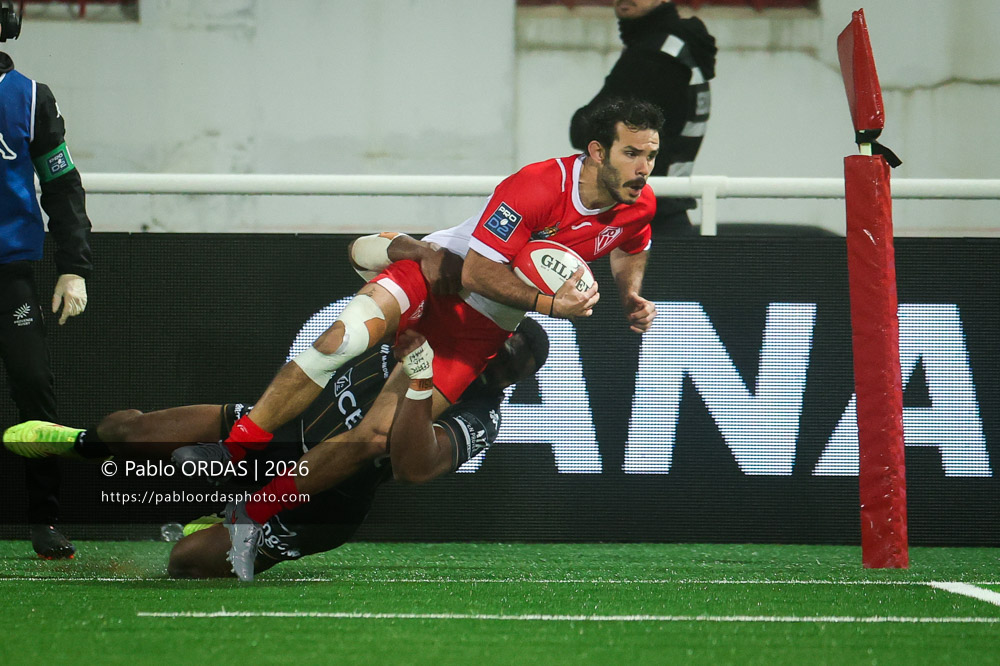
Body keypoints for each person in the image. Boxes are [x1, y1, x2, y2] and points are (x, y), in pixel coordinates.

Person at [169, 97, 662, 579]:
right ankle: (236, 449)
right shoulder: (535, 185)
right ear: (598, 152)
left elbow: (632, 245)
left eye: (651, 156)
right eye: (632, 154)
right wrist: (553, 307)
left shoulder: (639, 205)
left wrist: (629, 296)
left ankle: (251, 511)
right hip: (439, 277)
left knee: (376, 438)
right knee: (340, 340)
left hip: (481, 329)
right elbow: (475, 271)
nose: (643, 168)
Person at [5, 321, 549, 579]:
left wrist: (422, 382)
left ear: (512, 380)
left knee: (184, 563)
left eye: (506, 368)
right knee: (131, 432)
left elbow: (407, 465)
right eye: (496, 350)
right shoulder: (432, 326)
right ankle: (74, 443)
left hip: (322, 501)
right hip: (285, 432)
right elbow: (370, 255)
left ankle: (221, 519)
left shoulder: (481, 414)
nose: (491, 365)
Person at [0, 2, 93, 559]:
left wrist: (74, 266)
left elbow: (62, 186)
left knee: (35, 389)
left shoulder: (30, 97)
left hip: (10, 274)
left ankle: (45, 521)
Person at [570, 0, 717, 236]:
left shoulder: (653, 54)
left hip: (646, 217)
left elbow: (585, 128)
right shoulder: (678, 44)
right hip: (667, 206)